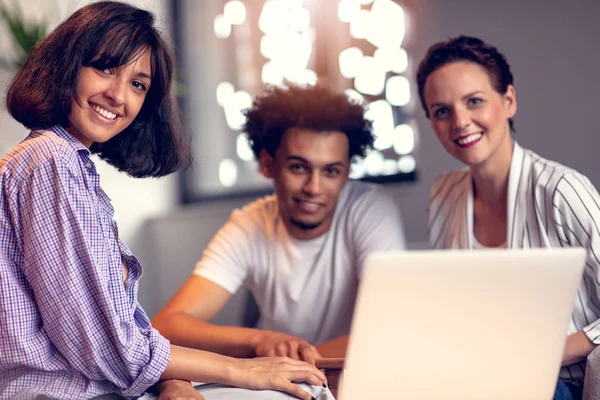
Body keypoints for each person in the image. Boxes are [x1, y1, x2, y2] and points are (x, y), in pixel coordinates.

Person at [0, 2, 327, 399]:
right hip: (65, 393)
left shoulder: (66, 165)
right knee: (295, 391)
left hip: (103, 388)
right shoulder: (50, 161)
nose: (119, 95)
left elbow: (117, 338)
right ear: (68, 65)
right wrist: (245, 371)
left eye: (138, 84)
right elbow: (107, 346)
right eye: (105, 67)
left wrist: (174, 378)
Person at [152, 84, 406, 364]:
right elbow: (167, 326)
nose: (314, 187)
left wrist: (290, 360)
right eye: (298, 167)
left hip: (349, 375)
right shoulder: (249, 225)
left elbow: (392, 327)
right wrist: (260, 340)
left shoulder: (370, 209)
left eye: (331, 171)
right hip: (279, 385)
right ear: (267, 165)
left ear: (347, 173)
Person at [418, 35, 600, 400]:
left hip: (560, 381)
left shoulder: (561, 190)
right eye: (442, 111)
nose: (460, 122)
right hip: (481, 376)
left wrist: (546, 353)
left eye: (475, 102)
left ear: (509, 101)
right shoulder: (443, 195)